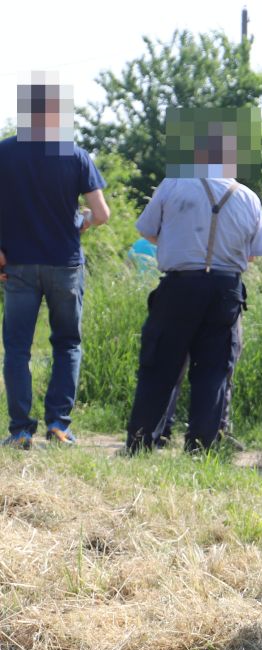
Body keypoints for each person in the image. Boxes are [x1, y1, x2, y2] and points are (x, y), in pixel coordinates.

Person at [124, 117, 262, 453]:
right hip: (226, 290)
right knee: (214, 371)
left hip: (179, 285)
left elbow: (147, 231)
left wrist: (181, 242)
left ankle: (142, 442)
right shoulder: (249, 198)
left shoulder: (174, 183)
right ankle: (201, 447)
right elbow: (255, 254)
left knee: (160, 364)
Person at [0, 77, 110, 448]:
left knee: (17, 348)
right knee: (66, 344)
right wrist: (81, 223)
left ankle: (19, 431)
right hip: (65, 265)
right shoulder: (75, 155)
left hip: (18, 265)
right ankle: (59, 426)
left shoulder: (4, 151)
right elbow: (102, 213)